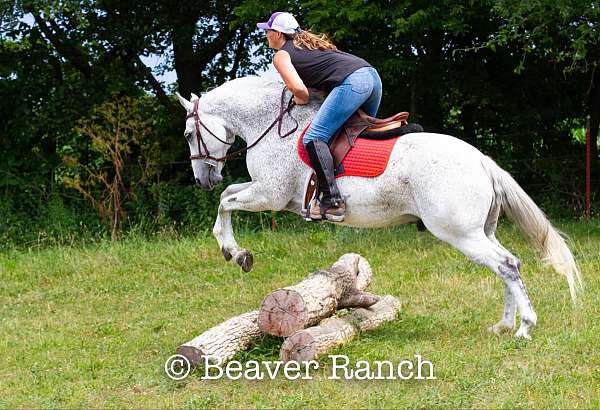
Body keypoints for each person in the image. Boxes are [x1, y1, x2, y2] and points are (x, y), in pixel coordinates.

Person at [257, 12, 382, 222]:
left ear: (278, 33)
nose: (266, 35)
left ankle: (333, 201)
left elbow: (300, 90)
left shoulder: (281, 55)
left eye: (268, 31)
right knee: (355, 134)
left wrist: (299, 99)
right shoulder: (308, 46)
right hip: (372, 77)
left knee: (313, 138)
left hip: (354, 83)